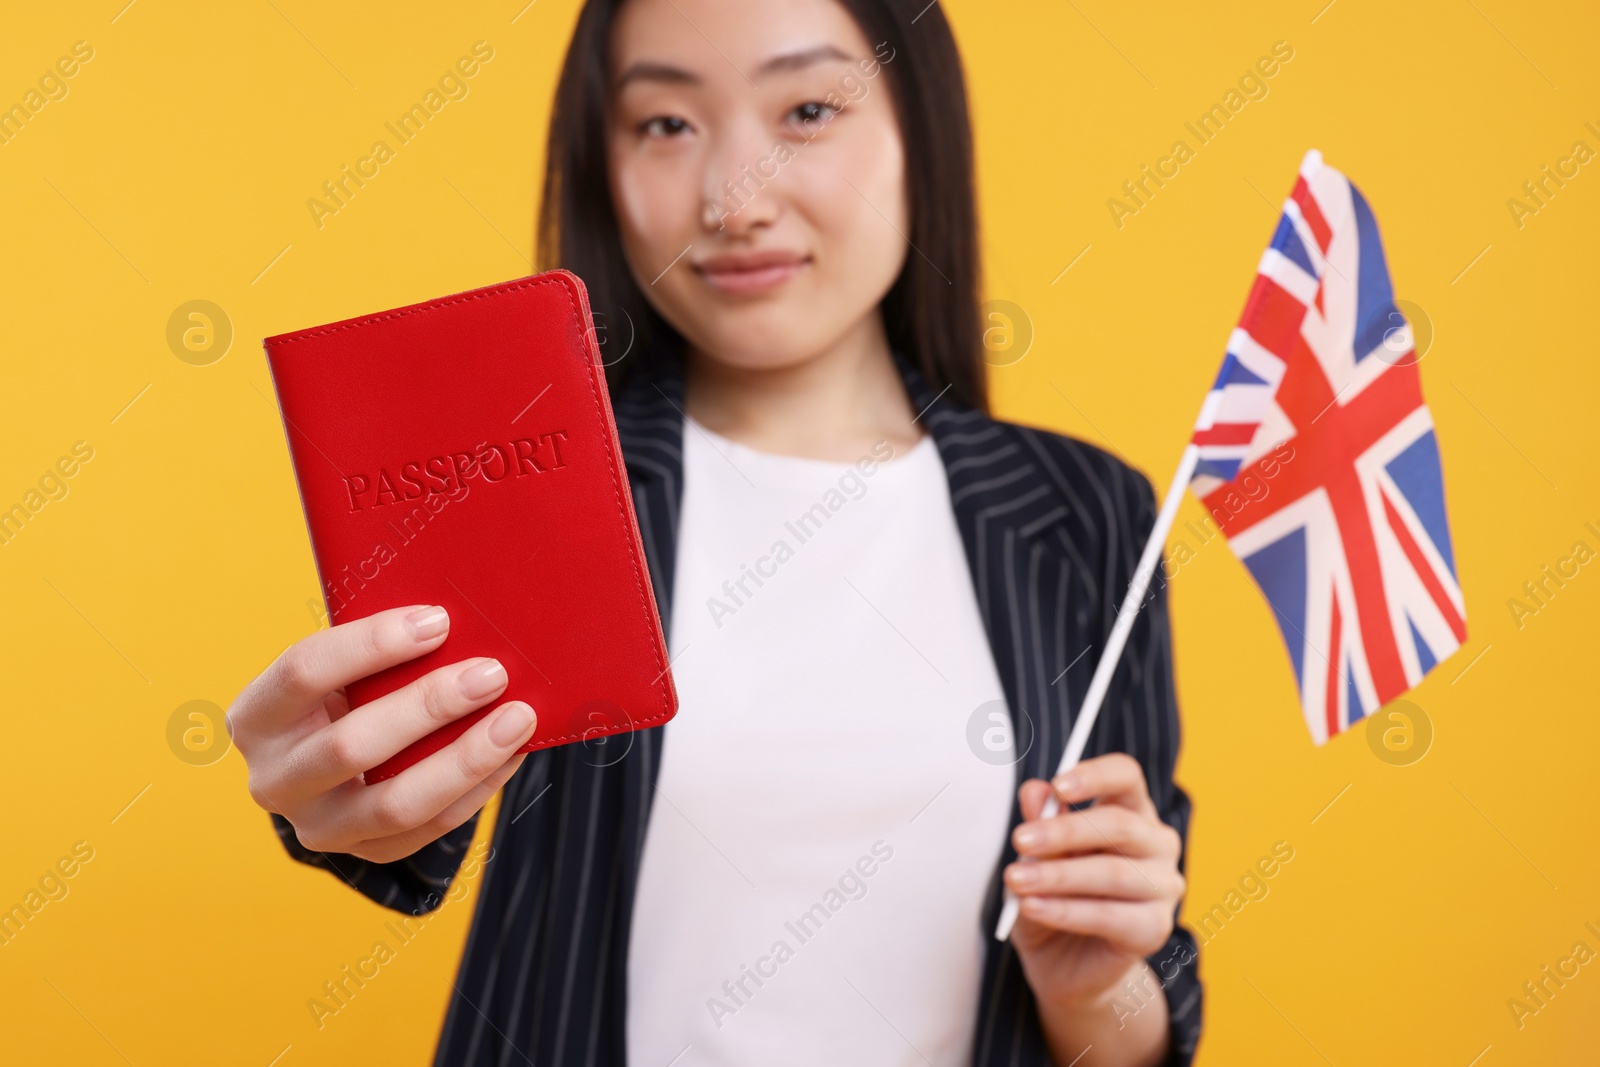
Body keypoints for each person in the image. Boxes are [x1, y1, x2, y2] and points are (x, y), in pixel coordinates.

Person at [225, 0, 1202, 1063]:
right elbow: (400, 823)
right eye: (666, 125)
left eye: (809, 108)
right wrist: (335, 789)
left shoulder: (1082, 509)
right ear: (599, 158)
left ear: (924, 132)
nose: (734, 199)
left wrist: (1096, 978)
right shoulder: (522, 476)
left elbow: (1133, 1032)